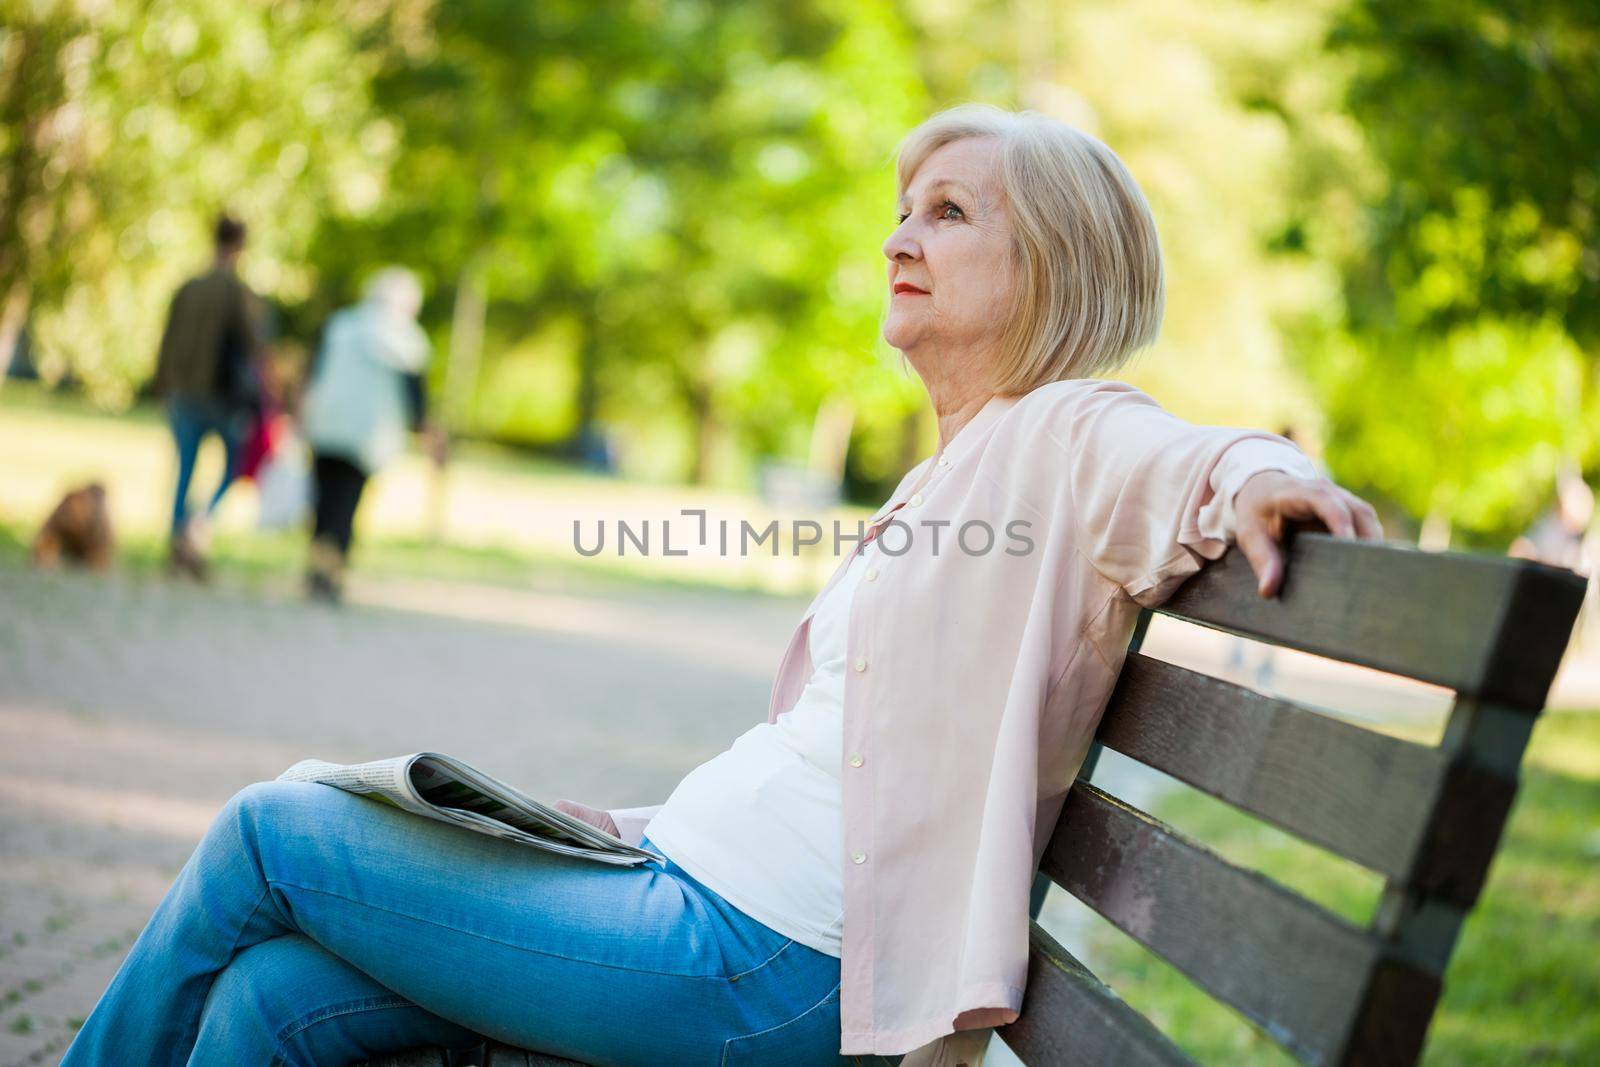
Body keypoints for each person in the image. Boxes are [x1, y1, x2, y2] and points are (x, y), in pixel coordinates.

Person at [62, 105, 1383, 1067]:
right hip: (687, 894)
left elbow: (1184, 456)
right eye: (905, 209)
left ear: (1050, 267)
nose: (898, 238)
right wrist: (636, 822)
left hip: (763, 963)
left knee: (267, 828)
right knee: (271, 1004)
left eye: (951, 212)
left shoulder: (1064, 432)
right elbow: (831, 755)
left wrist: (1267, 475)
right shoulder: (959, 470)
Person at [297, 267, 444, 603]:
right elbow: (415, 399)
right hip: (365, 434)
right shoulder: (407, 340)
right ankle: (331, 568)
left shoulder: (341, 325)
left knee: (324, 498)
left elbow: (313, 371)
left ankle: (319, 562)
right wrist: (427, 434)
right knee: (347, 503)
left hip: (327, 423)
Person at [152, 213, 265, 580]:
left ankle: (178, 536)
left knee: (185, 468)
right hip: (219, 396)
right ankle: (197, 526)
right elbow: (253, 345)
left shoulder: (188, 286)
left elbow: (167, 339)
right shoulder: (236, 292)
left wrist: (164, 382)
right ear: (241, 246)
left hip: (183, 391)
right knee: (232, 465)